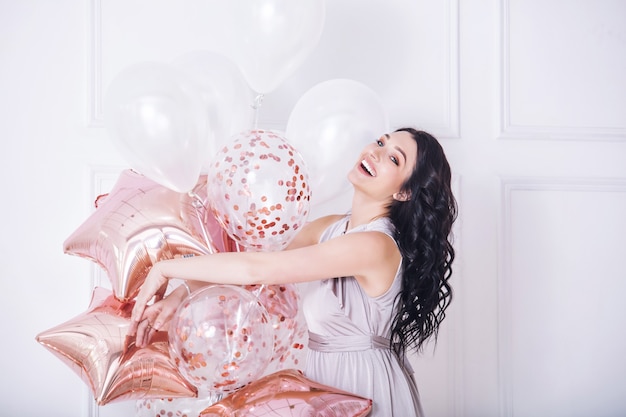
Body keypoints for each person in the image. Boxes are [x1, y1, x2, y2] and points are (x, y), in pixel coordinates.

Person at [129, 127, 457, 416]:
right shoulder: (332, 227)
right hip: (322, 382)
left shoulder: (375, 245)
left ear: (404, 192)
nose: (375, 151)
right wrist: (180, 295)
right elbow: (251, 258)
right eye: (380, 142)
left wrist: (166, 268)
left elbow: (259, 269)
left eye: (394, 158)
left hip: (363, 383)